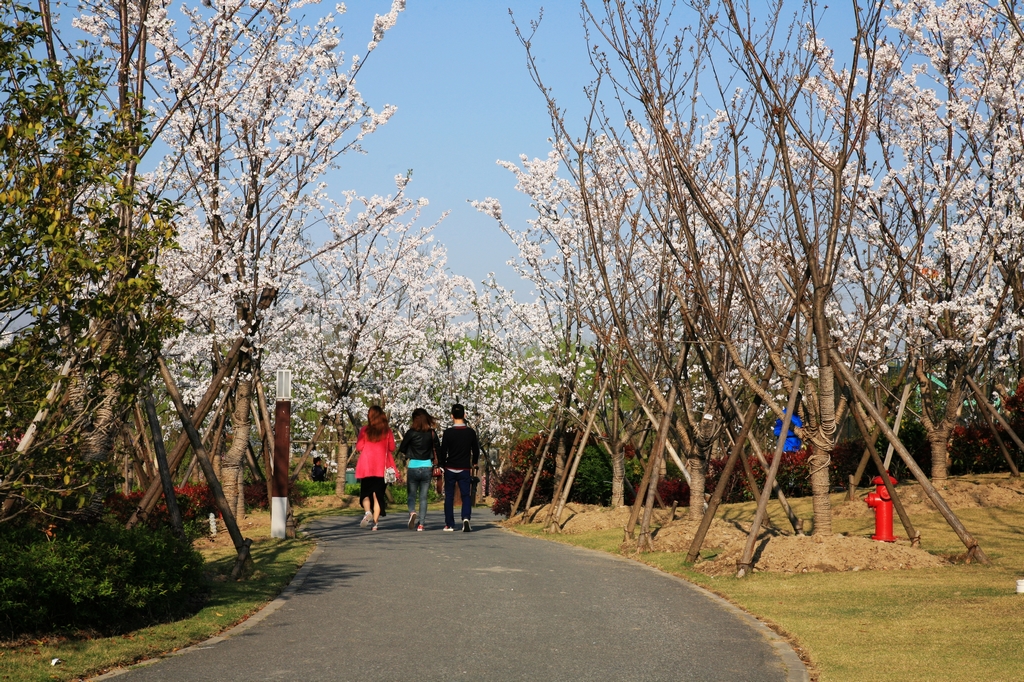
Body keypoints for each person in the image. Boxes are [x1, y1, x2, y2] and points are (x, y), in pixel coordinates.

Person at [438, 403, 480, 532]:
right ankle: (466, 518)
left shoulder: (448, 433)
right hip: (464, 468)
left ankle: (449, 524)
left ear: (451, 416)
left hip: (450, 467)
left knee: (449, 496)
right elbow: (476, 449)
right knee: (465, 495)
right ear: (465, 415)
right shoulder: (470, 433)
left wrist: (441, 464)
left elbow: (442, 450)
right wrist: (474, 462)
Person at [354, 405, 397, 531]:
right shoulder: (387, 431)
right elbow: (392, 448)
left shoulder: (365, 430)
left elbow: (359, 447)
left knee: (365, 493)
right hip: (381, 468)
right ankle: (375, 524)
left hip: (366, 467)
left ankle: (367, 512)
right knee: (377, 496)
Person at [398, 408, 440, 531]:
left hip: (413, 466)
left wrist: (410, 452)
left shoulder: (410, 433)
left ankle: (412, 512)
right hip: (427, 466)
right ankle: (421, 524)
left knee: (411, 495)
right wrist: (440, 465)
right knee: (423, 497)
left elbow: (402, 448)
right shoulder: (431, 433)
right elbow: (438, 449)